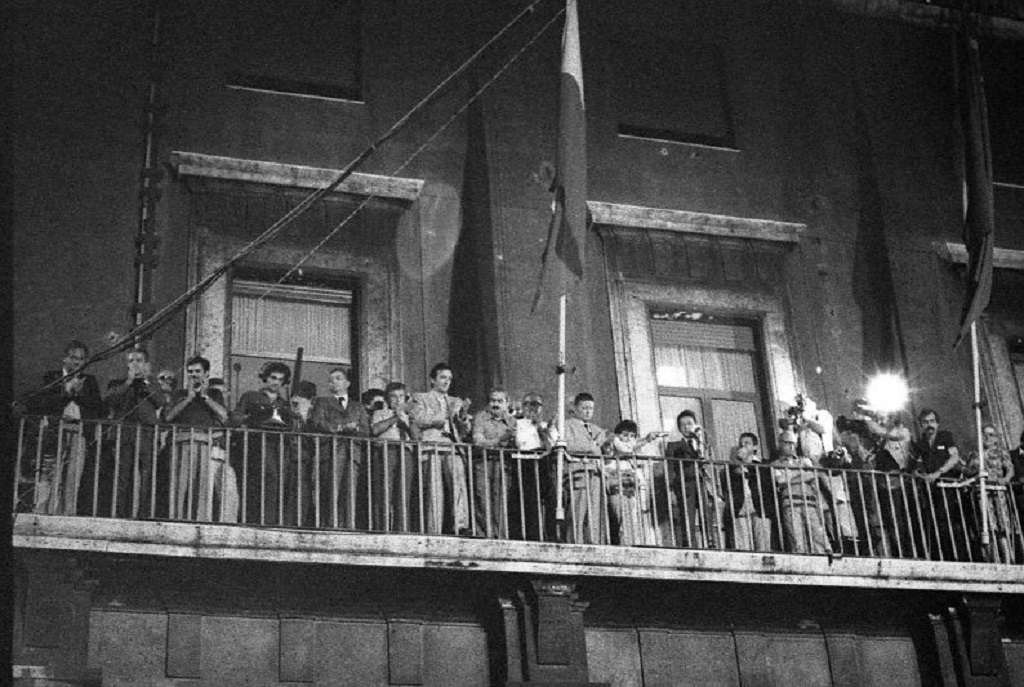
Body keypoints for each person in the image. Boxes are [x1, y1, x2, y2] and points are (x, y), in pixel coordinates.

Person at [26, 340, 103, 515]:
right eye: (74, 358)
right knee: (49, 473)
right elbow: (42, 403)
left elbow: (98, 407)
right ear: (65, 359)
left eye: (81, 359)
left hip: (78, 431)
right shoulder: (52, 377)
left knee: (73, 475)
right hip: (55, 430)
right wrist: (66, 391)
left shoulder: (90, 381)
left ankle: (67, 514)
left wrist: (79, 393)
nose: (77, 362)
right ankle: (41, 513)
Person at [164, 355, 233, 522]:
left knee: (203, 487)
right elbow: (168, 417)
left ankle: (201, 521)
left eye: (197, 371)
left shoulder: (214, 393)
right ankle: (176, 519)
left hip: (205, 443)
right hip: (182, 442)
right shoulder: (179, 393)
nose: (193, 375)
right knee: (179, 485)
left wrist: (205, 397)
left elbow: (224, 416)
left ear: (206, 374)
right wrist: (188, 398)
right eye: (190, 372)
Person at [409, 362, 472, 535]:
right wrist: (442, 416)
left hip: (452, 446)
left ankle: (461, 525)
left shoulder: (455, 401)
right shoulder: (420, 398)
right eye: (443, 377)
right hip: (433, 446)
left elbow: (464, 431)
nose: (446, 382)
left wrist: (463, 417)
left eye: (449, 379)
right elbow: (417, 418)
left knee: (458, 485)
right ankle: (433, 528)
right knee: (434, 489)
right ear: (432, 380)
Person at [99, 345, 162, 517]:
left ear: (146, 364)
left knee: (146, 476)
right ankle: (119, 514)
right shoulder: (117, 384)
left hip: (146, 435)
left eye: (139, 361)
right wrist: (128, 382)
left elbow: (160, 401)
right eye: (131, 361)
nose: (135, 364)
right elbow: (109, 399)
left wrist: (145, 382)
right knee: (122, 476)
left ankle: (142, 514)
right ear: (127, 364)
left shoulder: (151, 384)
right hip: (124, 434)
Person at [231, 361, 296, 526]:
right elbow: (235, 417)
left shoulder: (284, 403)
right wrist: (253, 417)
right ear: (265, 378)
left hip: (279, 447)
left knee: (278, 482)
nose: (276, 382)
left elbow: (291, 426)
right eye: (273, 378)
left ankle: (272, 521)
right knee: (259, 482)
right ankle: (256, 521)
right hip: (257, 445)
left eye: (280, 380)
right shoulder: (250, 396)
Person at [308, 368, 370, 528]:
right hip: (330, 451)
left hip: (352, 453)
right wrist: (341, 428)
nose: (333, 382)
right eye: (331, 380)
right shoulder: (322, 402)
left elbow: (366, 430)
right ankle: (328, 525)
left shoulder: (358, 406)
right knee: (330, 490)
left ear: (347, 383)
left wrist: (355, 428)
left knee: (350, 491)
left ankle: (349, 526)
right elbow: (317, 422)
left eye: (338, 378)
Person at [911, 408, 969, 561]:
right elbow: (916, 465)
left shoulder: (945, 437)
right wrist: (921, 475)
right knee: (936, 521)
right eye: (925, 422)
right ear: (921, 425)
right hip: (931, 489)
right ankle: (942, 557)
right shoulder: (920, 443)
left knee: (951, 521)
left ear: (937, 423)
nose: (929, 425)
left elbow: (954, 457)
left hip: (948, 486)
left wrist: (939, 472)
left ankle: (959, 556)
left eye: (932, 421)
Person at [663, 410, 725, 549]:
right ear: (679, 428)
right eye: (683, 425)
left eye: (689, 423)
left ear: (695, 425)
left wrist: (700, 442)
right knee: (687, 516)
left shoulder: (702, 443)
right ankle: (690, 545)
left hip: (701, 482)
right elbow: (670, 468)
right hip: (684, 484)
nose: (687, 427)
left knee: (706, 514)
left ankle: (711, 543)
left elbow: (708, 462)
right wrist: (671, 489)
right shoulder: (674, 445)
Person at [964, 424, 1020, 563]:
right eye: (984, 434)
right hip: (982, 492)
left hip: (998, 491)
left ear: (996, 438)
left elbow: (1010, 469)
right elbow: (968, 471)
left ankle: (1007, 559)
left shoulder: (1001, 452)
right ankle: (993, 559)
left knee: (1003, 527)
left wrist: (1005, 480)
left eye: (991, 435)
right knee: (988, 526)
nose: (987, 437)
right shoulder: (975, 453)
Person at [772, 429, 832, 554]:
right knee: (796, 539)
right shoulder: (776, 463)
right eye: (787, 443)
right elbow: (781, 480)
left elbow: (813, 475)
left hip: (809, 502)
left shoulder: (805, 460)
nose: (791, 446)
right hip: (790, 503)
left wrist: (791, 475)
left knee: (818, 536)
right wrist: (801, 472)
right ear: (780, 444)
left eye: (793, 443)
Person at [370, 381, 418, 532]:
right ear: (387, 399)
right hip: (386, 450)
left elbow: (417, 437)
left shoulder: (410, 416)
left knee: (403, 493)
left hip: (405, 452)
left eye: (401, 396)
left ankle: (402, 530)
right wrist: (395, 418)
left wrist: (408, 423)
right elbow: (375, 430)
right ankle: (382, 529)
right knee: (384, 491)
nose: (398, 400)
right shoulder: (380, 413)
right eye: (393, 397)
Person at [603, 420, 660, 546]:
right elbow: (625, 448)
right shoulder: (611, 449)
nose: (628, 439)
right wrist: (645, 440)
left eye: (632, 436)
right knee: (619, 519)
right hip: (617, 490)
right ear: (617, 435)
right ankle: (621, 544)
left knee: (631, 519)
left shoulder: (631, 457)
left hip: (631, 491)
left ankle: (630, 543)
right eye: (625, 435)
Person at [560, 392, 607, 544]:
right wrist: (592, 446)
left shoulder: (596, 429)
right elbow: (569, 445)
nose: (588, 411)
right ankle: (575, 543)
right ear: (575, 408)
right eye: (584, 408)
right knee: (577, 512)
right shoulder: (567, 425)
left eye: (591, 408)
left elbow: (602, 448)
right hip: (578, 472)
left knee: (594, 513)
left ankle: (593, 543)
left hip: (595, 473)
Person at [470, 387, 517, 538]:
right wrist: (500, 440)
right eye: (492, 401)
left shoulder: (512, 421)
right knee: (482, 499)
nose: (495, 404)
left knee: (500, 500)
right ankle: (484, 535)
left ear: (507, 403)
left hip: (503, 464)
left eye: (499, 401)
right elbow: (478, 441)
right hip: (483, 462)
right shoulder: (481, 418)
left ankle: (500, 536)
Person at [726, 432, 773, 551]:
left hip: (760, 506)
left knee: (763, 545)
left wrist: (747, 464)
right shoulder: (733, 466)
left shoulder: (764, 464)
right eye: (741, 444)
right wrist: (738, 464)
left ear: (755, 447)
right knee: (742, 546)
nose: (743, 446)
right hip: (740, 506)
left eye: (747, 443)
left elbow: (765, 482)